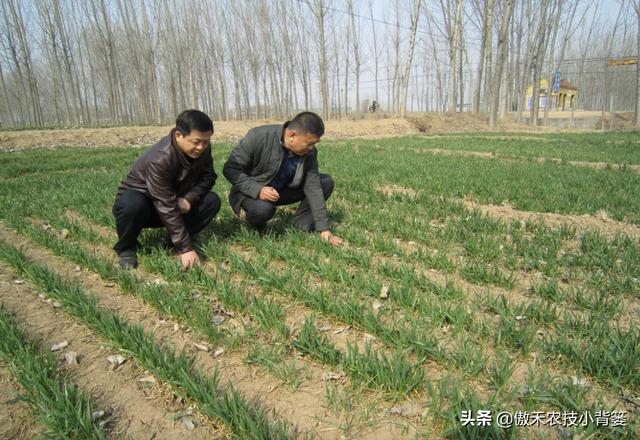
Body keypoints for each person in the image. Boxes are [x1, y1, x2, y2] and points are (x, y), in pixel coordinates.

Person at [112, 109, 221, 269]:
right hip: (146, 207)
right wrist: (186, 249)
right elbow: (165, 204)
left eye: (206, 141)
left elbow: (208, 177)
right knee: (131, 204)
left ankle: (171, 241)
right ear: (178, 136)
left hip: (174, 200)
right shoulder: (160, 158)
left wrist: (188, 199)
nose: (201, 147)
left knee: (211, 201)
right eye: (196, 142)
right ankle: (127, 248)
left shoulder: (203, 148)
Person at [223, 111, 343, 246]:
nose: (311, 148)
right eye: (308, 143)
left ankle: (301, 225)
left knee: (325, 182)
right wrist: (258, 190)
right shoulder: (258, 136)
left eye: (314, 144)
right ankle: (258, 228)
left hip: (283, 191)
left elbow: (313, 186)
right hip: (251, 193)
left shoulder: (310, 152)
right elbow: (230, 169)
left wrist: (324, 229)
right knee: (262, 209)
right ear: (292, 135)